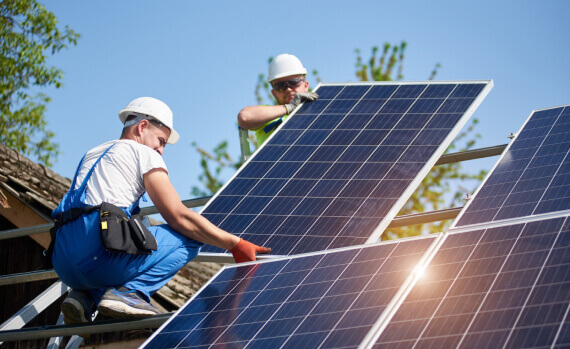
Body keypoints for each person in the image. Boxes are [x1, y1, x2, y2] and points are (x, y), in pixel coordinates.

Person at [50, 97, 270, 324]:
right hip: (97, 252)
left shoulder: (94, 153)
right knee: (189, 237)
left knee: (134, 231)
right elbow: (179, 217)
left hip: (63, 262)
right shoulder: (144, 154)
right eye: (161, 140)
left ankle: (85, 297)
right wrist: (235, 244)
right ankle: (130, 294)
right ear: (142, 126)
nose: (161, 150)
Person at [237, 53, 319, 145]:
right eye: (280, 86)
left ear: (306, 85)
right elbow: (244, 117)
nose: (288, 89)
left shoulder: (322, 113)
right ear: (274, 93)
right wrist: (290, 107)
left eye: (294, 82)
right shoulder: (268, 116)